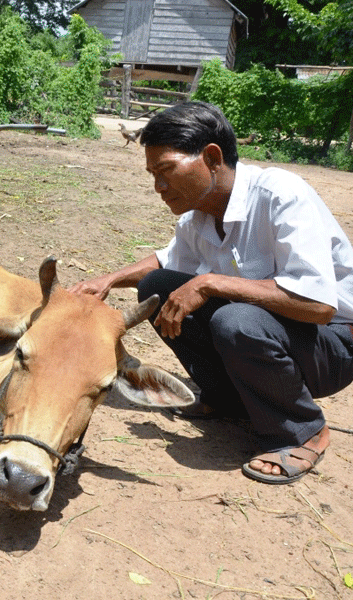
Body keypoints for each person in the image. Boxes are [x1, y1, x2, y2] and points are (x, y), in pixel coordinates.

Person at [70, 101, 353, 485]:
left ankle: (302, 430)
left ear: (212, 157)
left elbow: (319, 305)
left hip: (332, 344)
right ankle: (227, 398)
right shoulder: (198, 215)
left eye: (166, 170)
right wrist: (108, 280)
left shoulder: (280, 195)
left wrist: (210, 283)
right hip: (277, 334)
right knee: (157, 288)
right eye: (153, 174)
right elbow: (166, 263)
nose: (159, 187)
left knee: (235, 320)